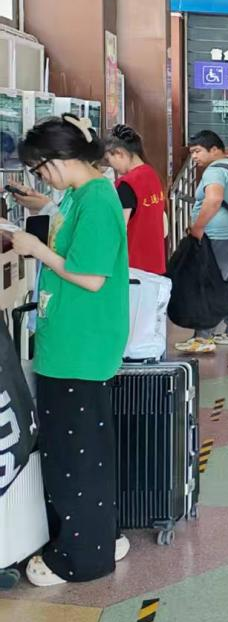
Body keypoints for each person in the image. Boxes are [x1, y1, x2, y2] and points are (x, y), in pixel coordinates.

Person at [13, 116, 130, 586]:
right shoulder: (82, 194)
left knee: (74, 456)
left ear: (60, 160)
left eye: (40, 168)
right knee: (86, 450)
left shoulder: (97, 199)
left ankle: (82, 558)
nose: (42, 177)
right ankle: (104, 536)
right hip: (73, 340)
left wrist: (33, 247)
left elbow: (90, 276)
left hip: (80, 346)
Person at [174, 131, 228, 353]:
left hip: (218, 237)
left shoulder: (214, 171)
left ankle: (204, 337)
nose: (194, 157)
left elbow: (214, 199)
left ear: (214, 149)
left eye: (197, 151)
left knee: (208, 285)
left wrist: (198, 227)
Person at [103, 125, 166, 274]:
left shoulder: (126, 184)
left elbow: (119, 229)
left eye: (109, 159)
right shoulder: (152, 174)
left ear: (119, 153)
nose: (111, 166)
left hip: (133, 267)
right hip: (155, 262)